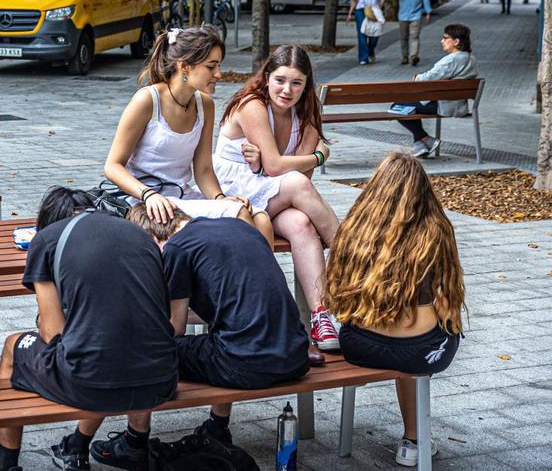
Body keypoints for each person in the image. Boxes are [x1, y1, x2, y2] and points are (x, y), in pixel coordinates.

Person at [0, 187, 177, 471]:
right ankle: (132, 443)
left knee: (14, 345)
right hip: (161, 380)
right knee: (125, 340)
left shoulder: (46, 239)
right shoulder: (139, 235)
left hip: (89, 384)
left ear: (47, 221)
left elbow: (52, 333)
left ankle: (6, 464)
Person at [88, 207, 309, 466]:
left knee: (142, 351)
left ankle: (134, 443)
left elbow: (174, 328)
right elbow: (232, 308)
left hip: (246, 364)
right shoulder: (238, 228)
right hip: (295, 356)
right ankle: (217, 428)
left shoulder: (176, 249)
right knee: (225, 338)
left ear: (150, 238)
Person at [324, 153, 464, 468]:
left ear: (376, 188)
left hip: (359, 346)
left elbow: (339, 297)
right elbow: (448, 303)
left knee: (394, 336)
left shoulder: (356, 227)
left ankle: (411, 438)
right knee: (437, 331)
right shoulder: (435, 229)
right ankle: (414, 441)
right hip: (419, 351)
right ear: (422, 190)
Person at [213, 44, 343, 349]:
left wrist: (283, 164)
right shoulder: (252, 106)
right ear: (267, 76)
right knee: (296, 184)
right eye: (280, 80)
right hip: (234, 195)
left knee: (301, 223)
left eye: (296, 82)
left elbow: (299, 182)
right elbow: (279, 168)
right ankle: (355, 259)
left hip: (272, 195)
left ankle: (321, 318)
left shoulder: (307, 113)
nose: (287, 90)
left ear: (306, 85)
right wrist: (318, 156)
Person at [104, 26, 255, 227]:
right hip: (145, 201)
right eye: (211, 67)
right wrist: (148, 195)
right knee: (239, 215)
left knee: (258, 217)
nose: (219, 74)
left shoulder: (205, 105)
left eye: (218, 65)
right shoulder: (147, 100)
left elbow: (203, 169)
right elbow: (112, 166)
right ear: (184, 66)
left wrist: (219, 198)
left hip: (182, 197)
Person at [393, 23, 477, 158]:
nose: (442, 41)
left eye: (445, 38)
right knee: (410, 106)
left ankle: (426, 139)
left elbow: (426, 78)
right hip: (458, 106)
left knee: (397, 106)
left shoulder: (451, 60)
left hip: (443, 106)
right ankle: (419, 145)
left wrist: (417, 77)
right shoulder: (471, 59)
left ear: (456, 41)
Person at [346, 0, 388, 65]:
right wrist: (350, 13)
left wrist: (381, 3)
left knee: (375, 34)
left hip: (374, 10)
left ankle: (371, 50)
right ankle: (363, 57)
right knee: (362, 34)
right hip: (361, 10)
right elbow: (355, 0)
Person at [393, 0, 431, 66]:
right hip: (403, 15)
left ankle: (414, 56)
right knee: (404, 37)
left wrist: (428, 12)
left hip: (416, 15)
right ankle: (404, 57)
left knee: (414, 36)